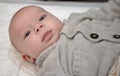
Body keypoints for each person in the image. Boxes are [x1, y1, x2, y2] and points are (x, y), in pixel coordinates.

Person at [9, 0, 120, 75]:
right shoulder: (51, 67)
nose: (38, 26)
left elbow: (107, 12)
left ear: (56, 17)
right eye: (27, 33)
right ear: (28, 57)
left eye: (42, 17)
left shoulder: (77, 19)